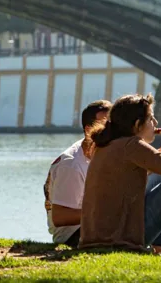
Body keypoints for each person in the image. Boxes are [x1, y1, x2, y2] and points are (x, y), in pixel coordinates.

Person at [79, 94, 161, 256]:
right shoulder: (132, 145)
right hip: (119, 239)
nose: (156, 124)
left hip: (96, 238)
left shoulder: (107, 144)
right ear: (137, 124)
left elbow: (155, 167)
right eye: (151, 119)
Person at [44, 100, 112, 247]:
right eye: (106, 125)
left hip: (95, 227)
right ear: (89, 130)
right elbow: (60, 217)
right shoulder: (71, 165)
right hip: (73, 236)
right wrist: (107, 212)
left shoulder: (103, 153)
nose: (112, 131)